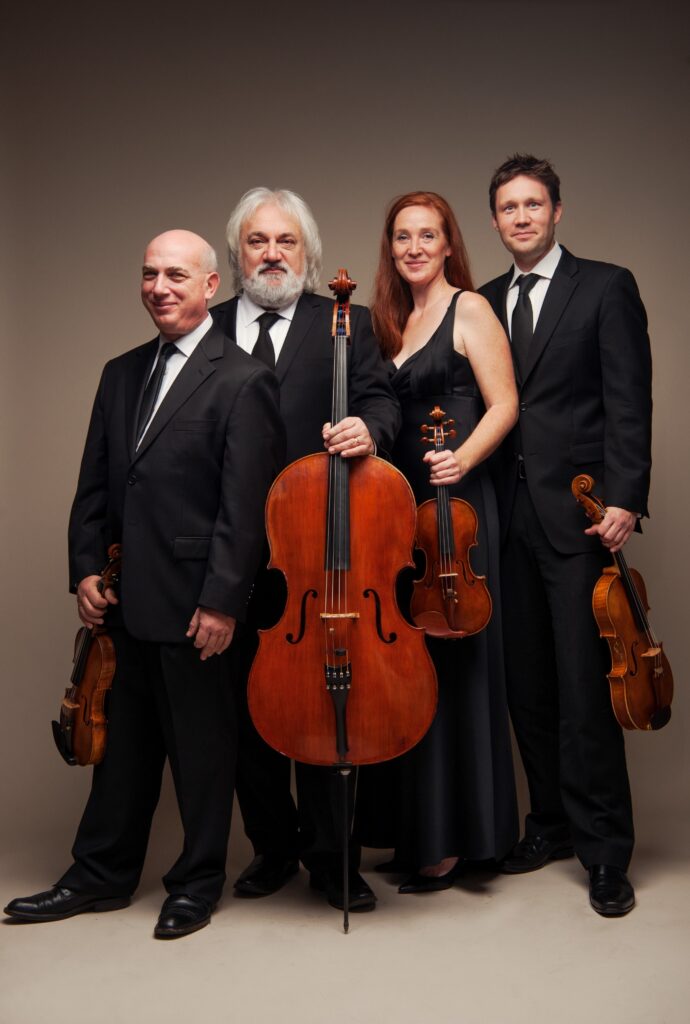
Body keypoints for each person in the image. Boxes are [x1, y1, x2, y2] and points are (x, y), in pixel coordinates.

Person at [4, 230, 285, 938]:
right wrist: (85, 568)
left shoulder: (244, 379)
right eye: (149, 274)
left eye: (176, 276)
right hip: (123, 600)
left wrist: (223, 601)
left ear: (211, 286)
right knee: (122, 754)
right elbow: (95, 482)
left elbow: (245, 509)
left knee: (201, 751)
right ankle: (99, 874)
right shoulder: (120, 371)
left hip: (197, 606)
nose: (159, 287)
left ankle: (195, 882)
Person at [210, 188, 401, 913]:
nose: (271, 254)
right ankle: (272, 846)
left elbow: (383, 402)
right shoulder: (213, 326)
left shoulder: (341, 322)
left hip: (319, 552)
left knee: (326, 705)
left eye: (285, 242)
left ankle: (333, 859)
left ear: (309, 254)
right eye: (257, 241)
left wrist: (368, 432)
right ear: (236, 256)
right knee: (243, 711)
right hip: (230, 550)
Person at [478, 154, 652, 916]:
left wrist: (626, 496)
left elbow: (629, 399)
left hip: (581, 516)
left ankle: (606, 851)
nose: (521, 217)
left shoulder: (606, 287)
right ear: (495, 220)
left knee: (585, 689)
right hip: (503, 522)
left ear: (557, 212)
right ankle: (547, 822)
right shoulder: (481, 301)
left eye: (533, 204)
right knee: (527, 688)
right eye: (508, 207)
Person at [354, 191, 519, 892]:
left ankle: (461, 840)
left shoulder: (470, 308)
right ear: (390, 249)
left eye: (428, 235)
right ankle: (419, 827)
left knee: (459, 664)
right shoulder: (392, 319)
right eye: (402, 237)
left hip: (457, 502)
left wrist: (465, 460)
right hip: (405, 509)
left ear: (450, 243)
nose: (415, 247)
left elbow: (506, 402)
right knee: (409, 668)